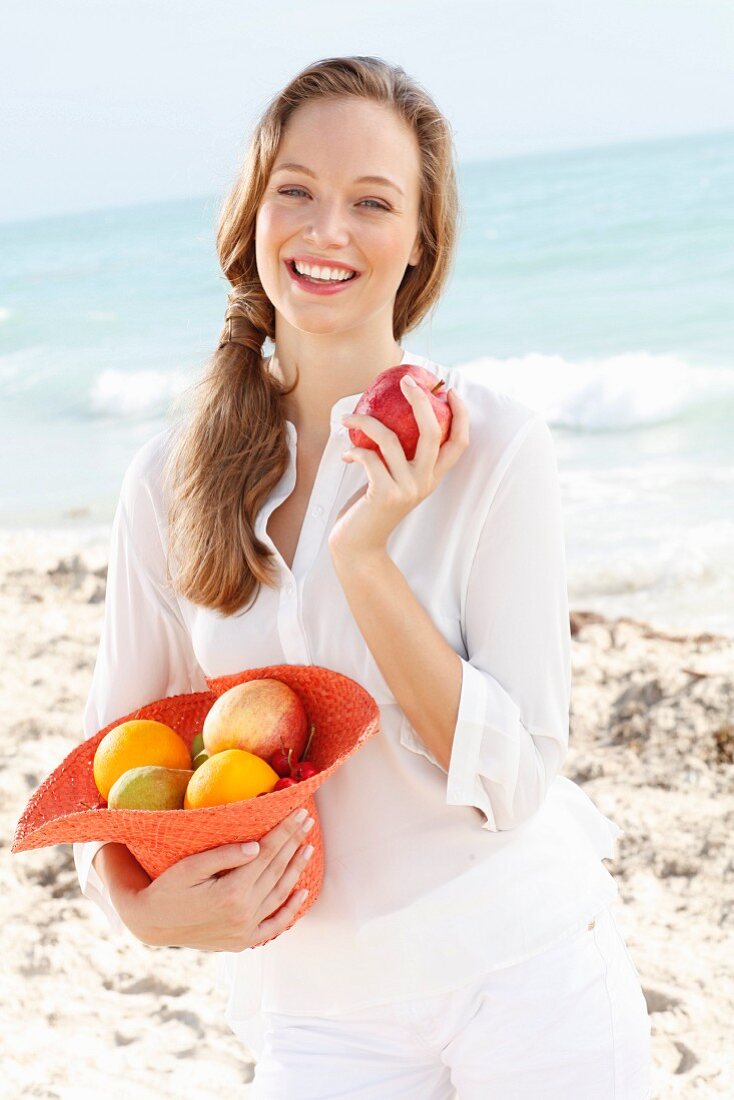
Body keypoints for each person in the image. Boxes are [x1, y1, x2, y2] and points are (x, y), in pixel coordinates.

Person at [74, 55, 652, 1099]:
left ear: (420, 240)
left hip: (524, 975)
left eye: (370, 201)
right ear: (253, 210)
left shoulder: (492, 446)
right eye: (294, 189)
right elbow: (113, 762)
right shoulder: (168, 477)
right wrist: (138, 908)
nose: (325, 229)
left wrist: (363, 555)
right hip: (316, 1012)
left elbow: (513, 778)